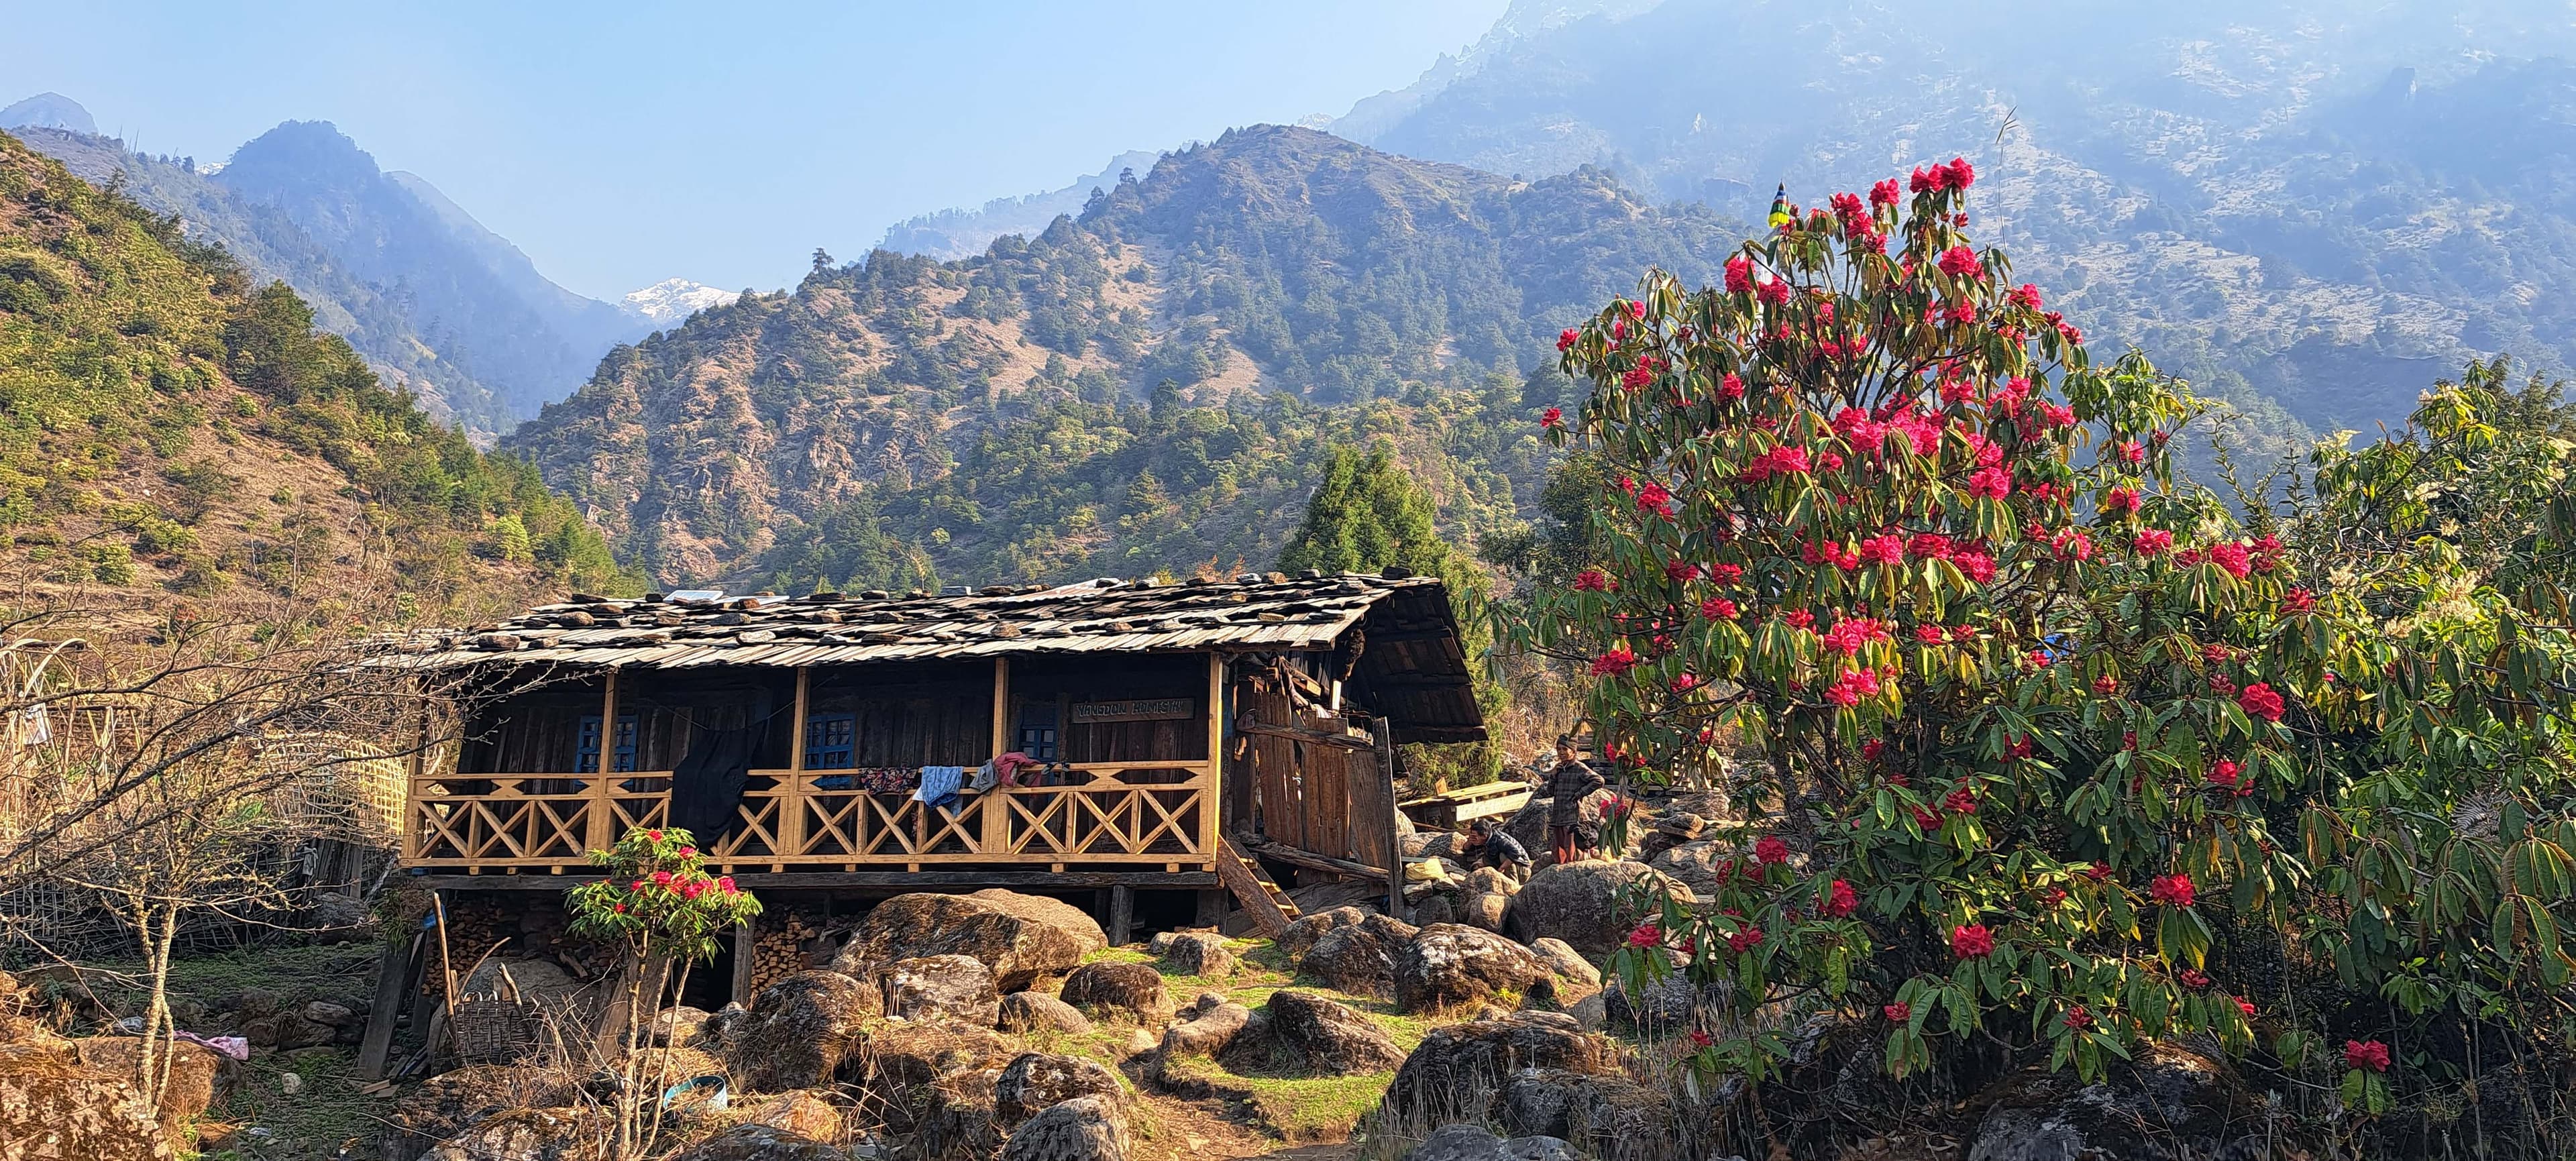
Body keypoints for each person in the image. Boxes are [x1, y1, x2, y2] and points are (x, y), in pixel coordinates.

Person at [1542, 734, 1605, 865]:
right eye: (1559, 749)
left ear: (1573, 751)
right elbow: (1550, 792)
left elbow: (1599, 780)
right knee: (1558, 851)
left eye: (1565, 749)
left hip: (1572, 817)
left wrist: (1580, 794)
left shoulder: (1579, 768)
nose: (1561, 753)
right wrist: (1553, 776)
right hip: (1558, 816)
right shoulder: (1559, 769)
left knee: (1572, 851)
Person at [1458, 818, 1531, 881]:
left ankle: (1513, 883)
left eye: (1474, 836)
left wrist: (1500, 870)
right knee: (1477, 865)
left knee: (1504, 856)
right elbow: (1466, 850)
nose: (1473, 838)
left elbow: (1516, 853)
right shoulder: (1484, 840)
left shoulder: (1499, 840)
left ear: (1484, 836)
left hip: (1522, 870)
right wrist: (1470, 841)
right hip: (1496, 861)